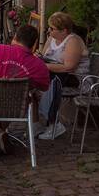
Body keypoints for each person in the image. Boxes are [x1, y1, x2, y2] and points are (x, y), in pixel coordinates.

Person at [0, 24, 51, 155]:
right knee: (23, 99)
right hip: (17, 106)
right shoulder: (39, 65)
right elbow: (44, 87)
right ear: (34, 44)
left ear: (15, 37)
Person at [37, 12, 90, 140]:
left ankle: (54, 124)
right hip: (57, 74)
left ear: (64, 31)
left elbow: (69, 67)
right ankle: (36, 122)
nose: (49, 31)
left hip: (76, 79)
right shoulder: (51, 39)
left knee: (52, 81)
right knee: (34, 81)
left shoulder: (73, 41)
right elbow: (44, 58)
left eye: (52, 29)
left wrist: (45, 66)